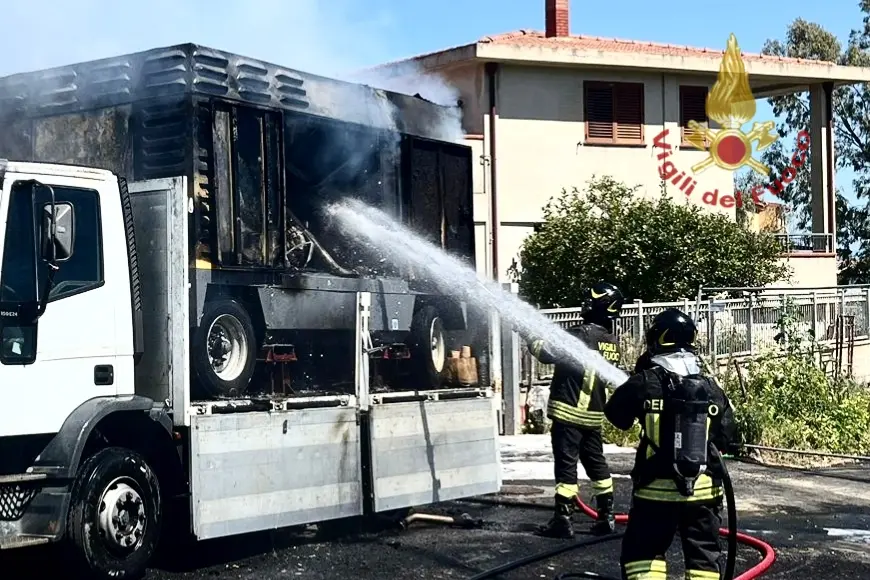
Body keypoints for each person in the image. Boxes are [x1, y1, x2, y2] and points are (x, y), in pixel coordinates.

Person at [604, 308, 737, 580]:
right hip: (704, 493)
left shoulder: (645, 382)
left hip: (655, 493)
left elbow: (616, 415)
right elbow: (727, 436)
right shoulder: (710, 387)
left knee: (644, 554)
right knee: (703, 558)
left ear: (658, 339)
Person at [527, 281, 624, 538]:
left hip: (569, 411)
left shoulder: (580, 334)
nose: (586, 303)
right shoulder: (611, 341)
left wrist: (528, 334)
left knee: (566, 465)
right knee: (597, 464)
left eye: (591, 300)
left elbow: (546, 352)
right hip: (593, 415)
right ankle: (607, 516)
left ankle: (563, 519)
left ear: (601, 305)